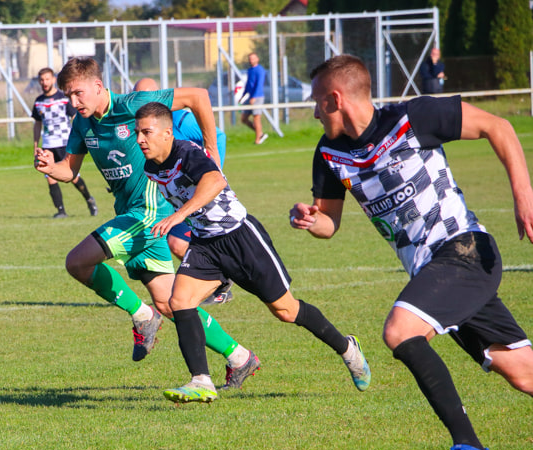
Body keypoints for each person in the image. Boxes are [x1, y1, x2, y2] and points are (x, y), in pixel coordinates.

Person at [290, 54, 533, 450]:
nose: (312, 111)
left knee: (400, 331)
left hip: (464, 250)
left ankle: (471, 448)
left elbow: (500, 127)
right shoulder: (329, 153)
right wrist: (312, 219)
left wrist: (524, 197)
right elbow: (330, 222)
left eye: (315, 102)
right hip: (433, 275)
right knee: (521, 371)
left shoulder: (413, 117)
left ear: (335, 98)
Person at [34, 56, 259, 393]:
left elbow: (198, 95)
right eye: (68, 95)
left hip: (149, 211)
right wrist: (51, 167)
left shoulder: (132, 105)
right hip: (132, 213)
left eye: (78, 93)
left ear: (98, 86)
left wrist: (211, 147)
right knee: (171, 303)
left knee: (77, 261)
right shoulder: (81, 124)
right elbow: (71, 171)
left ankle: (142, 315)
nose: (73, 101)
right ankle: (240, 357)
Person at [134, 102, 371, 403]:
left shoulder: (186, 153)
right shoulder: (150, 167)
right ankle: (201, 381)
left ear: (167, 133)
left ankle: (348, 348)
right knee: (179, 301)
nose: (140, 139)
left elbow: (215, 180)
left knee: (286, 311)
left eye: (147, 132)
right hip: (206, 244)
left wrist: (180, 215)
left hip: (240, 237)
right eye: (137, 133)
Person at [134, 77, 233, 305]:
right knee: (171, 242)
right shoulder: (140, 124)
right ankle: (213, 281)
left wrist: (213, 165)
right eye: (138, 96)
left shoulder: (180, 118)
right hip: (169, 192)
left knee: (177, 243)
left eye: (147, 96)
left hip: (192, 191)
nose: (142, 101)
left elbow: (219, 136)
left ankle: (221, 281)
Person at [32, 67, 97, 218]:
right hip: (48, 144)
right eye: (42, 79)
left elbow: (75, 118)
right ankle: (61, 210)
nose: (44, 82)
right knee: (50, 177)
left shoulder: (64, 98)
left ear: (53, 80)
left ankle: (89, 199)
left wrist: (79, 139)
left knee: (73, 177)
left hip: (64, 142)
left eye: (47, 79)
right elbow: (37, 124)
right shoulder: (38, 101)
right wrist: (36, 145)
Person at [238, 53, 268, 145]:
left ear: (257, 59)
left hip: (257, 97)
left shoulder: (260, 70)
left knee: (256, 118)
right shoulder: (250, 70)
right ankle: (260, 133)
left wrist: (254, 97)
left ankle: (258, 140)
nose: (251, 60)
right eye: (250, 59)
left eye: (253, 58)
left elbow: (259, 84)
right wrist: (243, 96)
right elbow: (248, 84)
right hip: (250, 97)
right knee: (244, 119)